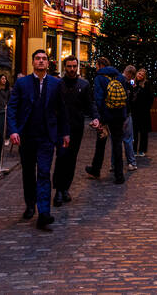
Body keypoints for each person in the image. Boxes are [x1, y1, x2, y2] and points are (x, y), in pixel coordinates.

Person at [7, 49, 69, 230]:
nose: (41, 61)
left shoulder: (56, 84)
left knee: (43, 173)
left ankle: (43, 213)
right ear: (33, 62)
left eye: (44, 59)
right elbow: (12, 108)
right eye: (37, 59)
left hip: (47, 137)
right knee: (28, 173)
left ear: (48, 63)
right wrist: (13, 130)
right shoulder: (22, 83)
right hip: (26, 136)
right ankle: (29, 204)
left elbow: (62, 110)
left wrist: (65, 133)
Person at [53, 56, 99, 206]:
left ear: (77, 67)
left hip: (76, 128)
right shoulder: (58, 84)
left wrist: (95, 117)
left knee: (72, 158)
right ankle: (59, 190)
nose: (72, 69)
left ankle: (66, 188)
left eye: (74, 66)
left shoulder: (84, 85)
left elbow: (90, 104)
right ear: (64, 67)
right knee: (61, 157)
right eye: (69, 66)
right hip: (60, 128)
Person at [86, 57, 128, 184]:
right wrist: (124, 115)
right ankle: (119, 175)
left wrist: (99, 117)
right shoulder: (120, 77)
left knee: (101, 143)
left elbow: (98, 99)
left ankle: (95, 169)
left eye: (96, 65)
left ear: (100, 65)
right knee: (117, 144)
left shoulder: (99, 78)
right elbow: (126, 97)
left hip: (105, 115)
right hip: (119, 115)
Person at [132, 68, 154, 156]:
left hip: (144, 112)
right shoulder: (133, 83)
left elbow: (150, 97)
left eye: (141, 75)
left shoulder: (147, 84)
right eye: (139, 74)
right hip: (134, 111)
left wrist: (147, 108)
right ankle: (133, 150)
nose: (139, 76)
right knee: (134, 132)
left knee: (143, 132)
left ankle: (142, 150)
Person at [121, 65, 138, 171]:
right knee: (128, 139)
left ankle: (114, 164)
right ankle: (131, 162)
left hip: (117, 115)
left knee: (116, 141)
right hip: (125, 114)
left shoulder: (117, 80)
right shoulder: (126, 83)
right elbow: (130, 100)